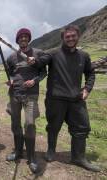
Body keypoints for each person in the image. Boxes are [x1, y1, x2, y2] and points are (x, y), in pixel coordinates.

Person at [28, 25, 101, 172]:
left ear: (78, 36)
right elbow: (41, 61)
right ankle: (51, 150)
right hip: (56, 99)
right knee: (53, 126)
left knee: (82, 127)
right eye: (67, 36)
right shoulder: (53, 53)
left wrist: (87, 89)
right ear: (63, 38)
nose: (70, 38)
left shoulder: (84, 56)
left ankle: (78, 157)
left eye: (73, 36)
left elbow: (90, 73)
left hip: (76, 99)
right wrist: (34, 61)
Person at [5, 28, 47, 173]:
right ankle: (17, 151)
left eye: (25, 36)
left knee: (29, 124)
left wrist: (34, 81)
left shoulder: (37, 53)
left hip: (31, 95)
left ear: (28, 39)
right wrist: (10, 81)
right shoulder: (11, 57)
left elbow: (43, 72)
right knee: (15, 124)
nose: (23, 39)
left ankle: (31, 156)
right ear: (17, 40)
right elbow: (10, 73)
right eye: (20, 37)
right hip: (15, 94)